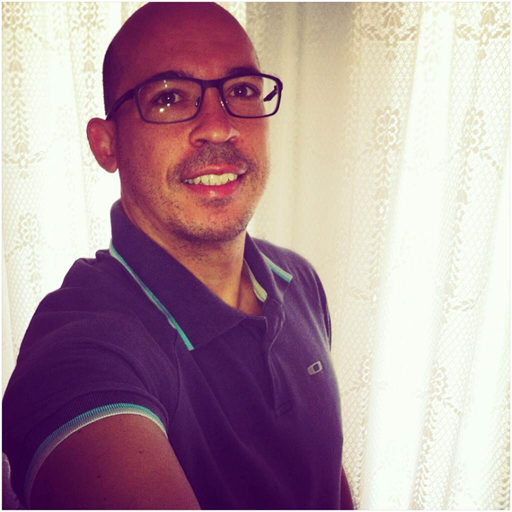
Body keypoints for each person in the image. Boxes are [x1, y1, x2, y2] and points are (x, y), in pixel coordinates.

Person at [3, 2, 353, 509]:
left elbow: (324, 472)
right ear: (106, 145)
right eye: (169, 97)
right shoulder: (79, 349)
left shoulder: (299, 281)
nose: (219, 127)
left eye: (241, 91)